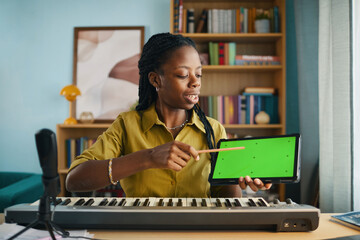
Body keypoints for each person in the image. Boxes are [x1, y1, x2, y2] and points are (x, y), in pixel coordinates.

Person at [66, 32, 271, 198]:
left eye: (198, 74)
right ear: (156, 80)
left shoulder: (214, 130)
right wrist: (148, 157)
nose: (196, 82)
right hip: (143, 231)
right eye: (183, 75)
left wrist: (235, 179)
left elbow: (227, 200)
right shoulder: (127, 125)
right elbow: (75, 179)